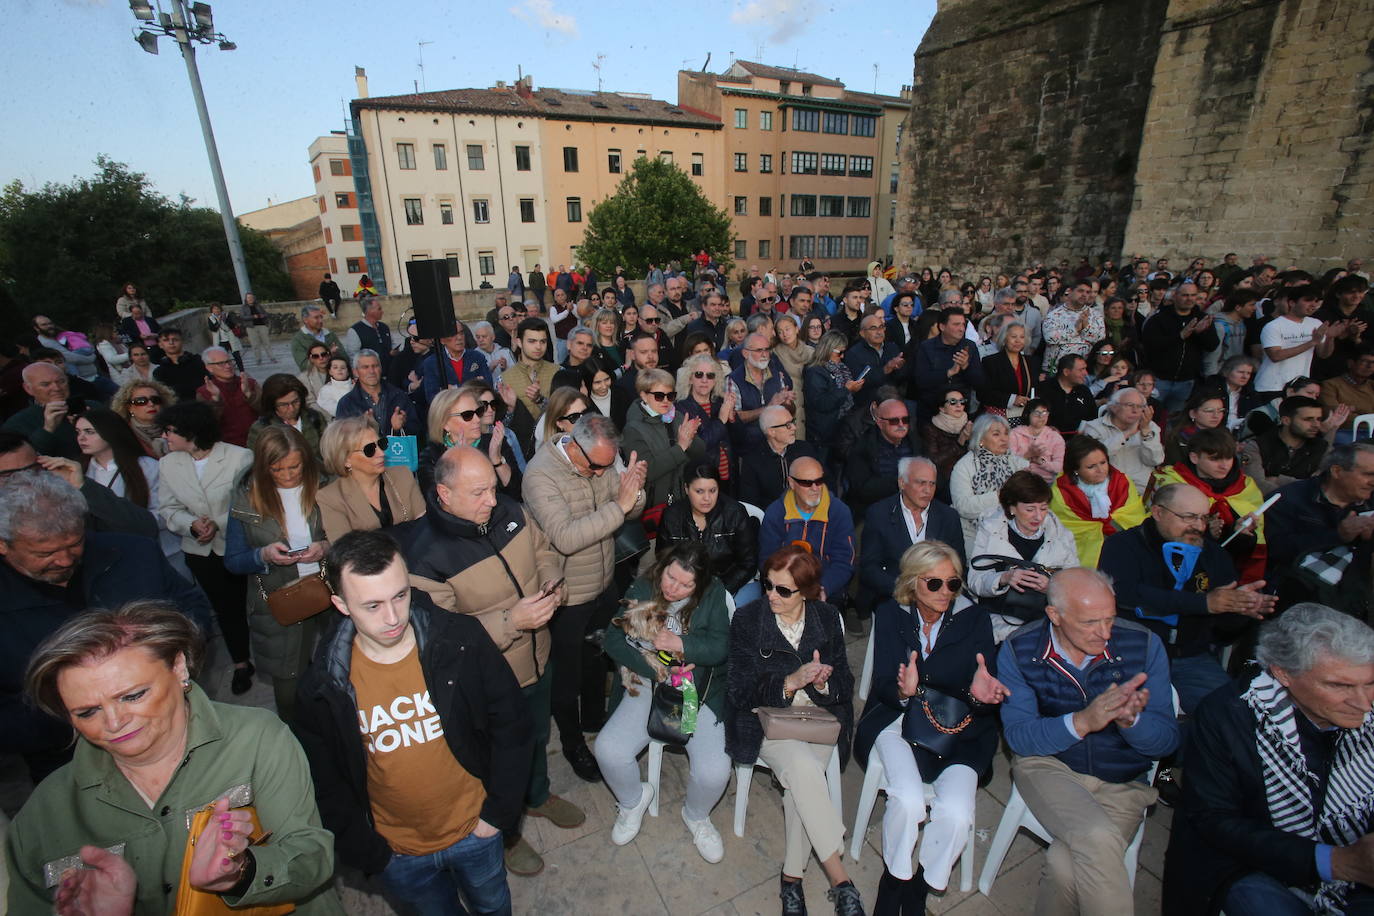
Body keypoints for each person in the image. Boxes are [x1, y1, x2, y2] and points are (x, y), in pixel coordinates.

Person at [6, 601, 343, 913]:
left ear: (179, 666)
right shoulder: (41, 818)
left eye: (133, 695)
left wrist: (242, 873)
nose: (113, 722)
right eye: (87, 712)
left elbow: (311, 856)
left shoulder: (256, 740)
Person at [292, 530, 534, 914]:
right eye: (371, 606)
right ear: (340, 604)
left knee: (491, 904)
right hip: (397, 853)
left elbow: (512, 725)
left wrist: (498, 813)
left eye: (400, 596)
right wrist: (370, 853)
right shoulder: (322, 685)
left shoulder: (461, 639)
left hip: (477, 829)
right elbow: (325, 782)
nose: (392, 618)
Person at [393, 445, 576, 877]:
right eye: (478, 493)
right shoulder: (422, 556)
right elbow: (441, 638)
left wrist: (552, 577)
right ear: (443, 493)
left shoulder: (508, 509)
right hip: (489, 678)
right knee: (495, 756)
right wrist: (511, 620)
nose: (492, 501)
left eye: (493, 488)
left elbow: (544, 548)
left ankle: (538, 794)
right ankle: (506, 832)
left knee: (533, 736)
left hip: (537, 654)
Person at [1162, 604, 1374, 916]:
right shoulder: (1228, 715)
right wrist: (1331, 861)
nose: (1363, 702)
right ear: (1282, 673)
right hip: (1248, 866)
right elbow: (1213, 820)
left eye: (1370, 683)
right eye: (1339, 685)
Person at [0, 472, 213, 782]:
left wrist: (171, 667)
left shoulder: (134, 554)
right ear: (3, 545)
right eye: (44, 553)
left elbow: (191, 609)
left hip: (177, 736)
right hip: (69, 765)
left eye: (74, 544)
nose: (63, 560)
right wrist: (79, 715)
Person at [995, 568, 1180, 916]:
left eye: (1110, 619)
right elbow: (1020, 738)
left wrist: (1131, 721)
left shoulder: (1143, 645)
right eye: (1091, 622)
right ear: (1055, 615)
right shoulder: (1020, 649)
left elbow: (1165, 743)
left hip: (1122, 780)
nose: (1105, 633)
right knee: (1096, 837)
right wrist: (1081, 722)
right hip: (1048, 767)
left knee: (1066, 870)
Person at [857, 541, 1009, 913]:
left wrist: (979, 695)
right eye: (934, 584)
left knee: (957, 814)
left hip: (961, 727)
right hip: (900, 718)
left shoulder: (974, 620)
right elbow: (882, 683)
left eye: (953, 583)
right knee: (908, 801)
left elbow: (982, 681)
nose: (946, 593)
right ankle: (894, 879)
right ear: (912, 583)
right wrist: (905, 692)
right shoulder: (892, 614)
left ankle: (922, 883)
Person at [725, 545, 862, 916]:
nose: (771, 595)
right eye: (768, 585)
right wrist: (788, 683)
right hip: (769, 723)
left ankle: (791, 878)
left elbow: (845, 685)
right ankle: (840, 879)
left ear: (806, 592)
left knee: (802, 785)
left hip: (818, 720)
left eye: (783, 590)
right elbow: (738, 691)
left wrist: (820, 686)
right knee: (804, 771)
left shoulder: (827, 618)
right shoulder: (748, 620)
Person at [523, 415, 647, 783]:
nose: (601, 473)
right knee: (567, 675)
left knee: (599, 659)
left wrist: (634, 492)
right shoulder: (539, 475)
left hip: (604, 581)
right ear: (574, 447)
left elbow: (626, 506)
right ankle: (572, 742)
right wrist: (620, 506)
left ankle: (595, 722)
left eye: (608, 466)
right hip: (567, 594)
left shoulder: (599, 458)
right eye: (597, 466)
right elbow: (565, 537)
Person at [596, 543, 733, 862]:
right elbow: (614, 638)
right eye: (671, 578)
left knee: (715, 772)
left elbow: (721, 647)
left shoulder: (713, 592)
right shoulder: (643, 585)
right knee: (608, 751)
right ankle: (633, 801)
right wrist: (655, 670)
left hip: (694, 691)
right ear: (663, 567)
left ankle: (696, 816)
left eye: (687, 585)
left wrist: (683, 644)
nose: (675, 589)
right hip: (649, 685)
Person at [1100, 482, 1274, 719]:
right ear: (1158, 512)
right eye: (1189, 517)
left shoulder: (1212, 554)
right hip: (1133, 655)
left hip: (1191, 657)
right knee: (1136, 720)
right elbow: (1127, 595)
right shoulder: (1122, 545)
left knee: (1233, 715)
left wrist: (1240, 609)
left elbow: (1222, 629)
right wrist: (1204, 604)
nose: (1198, 526)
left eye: (1203, 518)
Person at [224, 425, 329, 722]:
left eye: (295, 466)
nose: (288, 475)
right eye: (277, 469)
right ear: (264, 467)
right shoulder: (247, 499)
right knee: (289, 685)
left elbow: (350, 534)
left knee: (342, 663)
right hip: (280, 597)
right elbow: (233, 560)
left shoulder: (324, 484)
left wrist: (325, 546)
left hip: (329, 587)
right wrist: (263, 555)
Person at [155, 399, 256, 693]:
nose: (165, 437)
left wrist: (218, 523)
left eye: (170, 431)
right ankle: (241, 662)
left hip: (236, 544)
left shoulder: (239, 457)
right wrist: (191, 524)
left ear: (192, 431)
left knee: (248, 603)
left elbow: (250, 504)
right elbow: (168, 507)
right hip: (199, 550)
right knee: (225, 608)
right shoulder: (168, 463)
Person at [967, 470, 1080, 640]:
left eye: (1043, 508)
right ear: (1011, 507)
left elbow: (1076, 583)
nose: (1038, 516)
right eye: (1030, 509)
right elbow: (975, 582)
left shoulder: (1060, 534)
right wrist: (1004, 578)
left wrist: (1051, 587)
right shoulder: (991, 530)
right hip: (999, 623)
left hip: (1047, 624)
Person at [1267, 443, 1374, 616]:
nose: (1373, 482)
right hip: (1299, 599)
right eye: (1368, 474)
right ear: (1337, 471)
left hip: (1358, 598)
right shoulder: (1289, 500)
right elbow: (1275, 550)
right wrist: (1338, 535)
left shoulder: (1370, 501)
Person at [859, 456, 966, 621]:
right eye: (921, 483)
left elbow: (959, 564)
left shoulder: (948, 516)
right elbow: (869, 568)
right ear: (902, 483)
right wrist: (906, 590)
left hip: (940, 598)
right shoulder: (879, 514)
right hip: (893, 597)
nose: (927, 490)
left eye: (932, 484)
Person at [1153, 427, 1269, 578]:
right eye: (1214, 459)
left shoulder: (1246, 486)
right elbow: (1161, 532)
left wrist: (1241, 534)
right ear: (1194, 458)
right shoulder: (1172, 482)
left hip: (1231, 569)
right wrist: (1206, 534)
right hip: (1175, 568)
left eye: (1228, 458)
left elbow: (1248, 546)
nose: (1224, 465)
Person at [657, 465, 760, 605]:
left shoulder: (734, 513)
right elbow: (664, 560)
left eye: (713, 490)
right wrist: (684, 587)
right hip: (683, 583)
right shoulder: (672, 516)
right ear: (686, 489)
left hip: (729, 582)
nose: (707, 498)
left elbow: (748, 562)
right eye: (699, 491)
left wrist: (718, 590)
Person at [759, 456, 856, 605]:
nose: (815, 488)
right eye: (807, 483)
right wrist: (788, 588)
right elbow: (767, 559)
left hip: (827, 588)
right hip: (783, 589)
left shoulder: (839, 512)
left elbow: (844, 561)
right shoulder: (776, 512)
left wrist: (823, 588)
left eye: (819, 481)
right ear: (791, 483)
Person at [317, 415, 424, 541]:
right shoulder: (331, 497)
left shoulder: (402, 474)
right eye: (369, 450)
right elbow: (345, 551)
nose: (381, 453)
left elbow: (424, 526)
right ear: (346, 460)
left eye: (381, 444)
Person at [1050, 434, 1148, 567]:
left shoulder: (1122, 482)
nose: (1101, 470)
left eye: (1103, 463)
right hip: (1081, 555)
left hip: (1124, 546)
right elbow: (1061, 531)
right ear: (1075, 470)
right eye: (1091, 467)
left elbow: (1134, 517)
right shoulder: (1060, 492)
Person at [621, 368, 704, 515]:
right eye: (659, 396)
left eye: (670, 395)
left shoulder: (677, 416)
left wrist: (690, 440)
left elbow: (701, 453)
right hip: (656, 507)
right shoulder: (633, 429)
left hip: (686, 501)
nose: (666, 401)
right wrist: (681, 447)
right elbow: (648, 471)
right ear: (644, 396)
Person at [950, 413, 1031, 556]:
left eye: (1006, 433)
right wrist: (1000, 496)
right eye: (996, 434)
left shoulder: (1016, 463)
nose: (1003, 439)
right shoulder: (965, 465)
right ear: (981, 438)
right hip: (976, 536)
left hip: (1014, 534)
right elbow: (962, 506)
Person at [1139, 282, 1219, 412]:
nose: (1189, 299)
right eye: (1185, 295)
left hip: (1186, 381)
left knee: (1174, 419)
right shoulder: (1159, 319)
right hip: (1159, 380)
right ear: (1175, 296)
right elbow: (1150, 345)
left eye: (1193, 295)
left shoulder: (1202, 318)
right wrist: (1180, 336)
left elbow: (1212, 346)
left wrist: (1201, 333)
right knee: (1151, 415)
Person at [844, 396, 924, 520]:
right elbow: (861, 490)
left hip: (915, 510)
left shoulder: (915, 442)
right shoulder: (864, 446)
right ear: (880, 423)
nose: (901, 425)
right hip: (876, 512)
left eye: (905, 419)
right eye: (894, 421)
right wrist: (901, 483)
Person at [1077, 386, 1165, 493]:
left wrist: (1146, 433)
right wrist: (1126, 434)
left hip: (1141, 487)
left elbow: (1155, 460)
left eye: (1140, 406)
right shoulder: (1094, 427)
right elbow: (1093, 459)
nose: (1135, 410)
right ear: (1114, 407)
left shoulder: (1149, 426)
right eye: (1130, 405)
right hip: (1106, 487)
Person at [1238, 395, 1330, 493]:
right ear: (1286, 420)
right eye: (1308, 419)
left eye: (1318, 419)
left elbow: (1324, 485)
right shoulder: (1258, 445)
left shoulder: (1321, 447)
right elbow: (1255, 485)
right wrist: (1300, 490)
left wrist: (1279, 480)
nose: (1316, 424)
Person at [738, 404, 821, 510]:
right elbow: (750, 503)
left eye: (793, 422)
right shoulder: (753, 460)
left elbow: (824, 483)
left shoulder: (805, 449)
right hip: (772, 518)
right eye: (787, 425)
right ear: (771, 432)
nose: (794, 428)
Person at [912, 307, 984, 421]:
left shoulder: (970, 347)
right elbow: (921, 381)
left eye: (963, 325)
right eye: (956, 324)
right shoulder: (926, 347)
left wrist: (965, 367)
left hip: (961, 412)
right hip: (931, 412)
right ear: (942, 327)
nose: (961, 329)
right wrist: (949, 373)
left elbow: (979, 384)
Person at [803, 331, 863, 466]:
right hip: (823, 434)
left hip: (841, 428)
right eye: (839, 353)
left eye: (844, 352)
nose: (842, 356)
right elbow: (821, 403)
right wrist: (846, 390)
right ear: (827, 349)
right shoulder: (815, 372)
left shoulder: (841, 368)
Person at [3, 361, 82, 459]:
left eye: (61, 381)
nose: (56, 388)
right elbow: (23, 462)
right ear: (28, 388)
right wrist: (47, 429)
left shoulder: (91, 407)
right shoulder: (16, 424)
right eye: (45, 384)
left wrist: (94, 422)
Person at [334, 348, 421, 437]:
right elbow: (342, 440)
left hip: (397, 450)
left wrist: (398, 429)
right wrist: (364, 430)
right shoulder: (347, 403)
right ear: (355, 372)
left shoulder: (399, 396)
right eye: (365, 367)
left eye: (375, 366)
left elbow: (416, 430)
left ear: (381, 368)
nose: (371, 371)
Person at [246, 373, 330, 462]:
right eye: (283, 404)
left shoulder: (315, 418)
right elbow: (257, 465)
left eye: (295, 401)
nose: (292, 408)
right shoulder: (260, 429)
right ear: (272, 404)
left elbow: (327, 453)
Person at [196, 346, 261, 448]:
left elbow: (266, 410)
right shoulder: (204, 392)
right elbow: (207, 424)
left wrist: (249, 394)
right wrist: (215, 399)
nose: (228, 366)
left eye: (229, 361)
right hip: (227, 447)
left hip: (257, 441)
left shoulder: (249, 383)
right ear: (209, 367)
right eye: (221, 363)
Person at [978, 319, 1039, 424]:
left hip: (1024, 416)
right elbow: (983, 394)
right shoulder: (991, 361)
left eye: (1022, 337)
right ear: (1004, 338)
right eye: (1013, 337)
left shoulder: (1031, 362)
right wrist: (1012, 399)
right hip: (999, 418)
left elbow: (1035, 388)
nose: (1018, 341)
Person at [1042, 280, 1106, 371]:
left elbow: (1100, 339)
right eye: (1080, 291)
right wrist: (1075, 329)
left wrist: (1085, 327)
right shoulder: (1054, 315)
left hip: (1085, 370)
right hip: (1057, 369)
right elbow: (1050, 338)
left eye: (1088, 292)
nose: (1084, 294)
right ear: (1070, 291)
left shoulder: (1095, 315)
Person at [421, 322, 493, 401]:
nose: (459, 337)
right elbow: (432, 397)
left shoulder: (477, 357)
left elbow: (488, 385)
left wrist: (455, 388)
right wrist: (474, 384)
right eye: (453, 334)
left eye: (461, 333)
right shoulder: (432, 363)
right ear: (442, 340)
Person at [503, 318, 559, 419]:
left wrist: (540, 400)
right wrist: (511, 409)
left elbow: (565, 412)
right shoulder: (503, 379)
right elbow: (501, 425)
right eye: (532, 341)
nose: (538, 346)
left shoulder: (559, 372)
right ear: (519, 342)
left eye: (543, 341)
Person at [111, 377, 174, 458]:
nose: (151, 404)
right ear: (129, 407)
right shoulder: (123, 434)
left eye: (155, 400)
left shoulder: (176, 428)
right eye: (141, 401)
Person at [1009, 398, 1065, 482]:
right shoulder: (1014, 434)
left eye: (1044, 413)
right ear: (1027, 414)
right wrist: (1027, 455)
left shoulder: (1055, 437)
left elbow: (1059, 467)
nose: (1041, 416)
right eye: (1037, 413)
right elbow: (1009, 462)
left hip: (1044, 483)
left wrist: (1041, 462)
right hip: (1019, 480)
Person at [1043, 354, 1098, 435]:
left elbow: (1093, 419)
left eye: (1085, 369)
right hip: (1047, 439)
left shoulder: (1084, 391)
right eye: (1081, 370)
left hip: (1079, 441)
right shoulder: (1044, 389)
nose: (1086, 373)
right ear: (1066, 372)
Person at [344, 295, 394, 377]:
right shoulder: (355, 330)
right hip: (370, 376)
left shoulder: (384, 327)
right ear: (370, 311)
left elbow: (392, 345)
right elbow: (353, 357)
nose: (382, 311)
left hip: (389, 374)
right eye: (379, 309)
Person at [291, 304, 344, 371]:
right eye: (316, 318)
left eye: (321, 317)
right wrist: (328, 354)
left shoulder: (330, 334)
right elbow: (304, 365)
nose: (321, 321)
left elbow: (344, 357)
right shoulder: (298, 339)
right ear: (305, 320)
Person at [313, 354, 354, 418]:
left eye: (343, 368)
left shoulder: (355, 386)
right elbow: (334, 409)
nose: (339, 369)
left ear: (348, 372)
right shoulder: (326, 390)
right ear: (330, 372)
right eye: (335, 367)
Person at [205, 302, 243, 371]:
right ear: (212, 310)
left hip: (230, 339)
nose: (216, 310)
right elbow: (213, 328)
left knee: (236, 355)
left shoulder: (226, 315)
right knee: (222, 357)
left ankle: (242, 370)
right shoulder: (211, 318)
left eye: (218, 309)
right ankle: (225, 370)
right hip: (220, 341)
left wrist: (223, 321)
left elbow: (231, 326)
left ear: (220, 309)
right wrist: (218, 321)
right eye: (214, 309)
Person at [242, 292, 273, 366]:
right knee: (255, 344)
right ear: (246, 299)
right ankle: (258, 359)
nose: (250, 299)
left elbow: (266, 314)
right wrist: (252, 317)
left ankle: (272, 357)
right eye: (248, 298)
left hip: (262, 325)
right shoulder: (244, 307)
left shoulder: (258, 306)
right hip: (251, 327)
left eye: (251, 297)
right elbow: (243, 317)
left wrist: (262, 315)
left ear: (254, 298)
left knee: (267, 342)